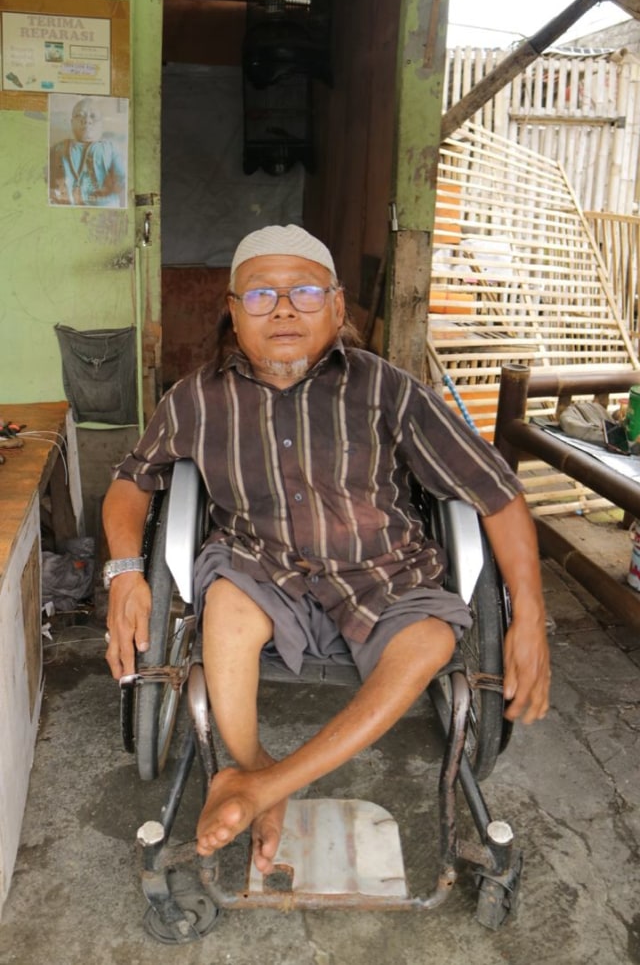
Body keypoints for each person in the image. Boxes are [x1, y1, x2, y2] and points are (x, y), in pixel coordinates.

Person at [103, 224, 550, 875]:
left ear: (337, 307)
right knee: (223, 602)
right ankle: (257, 771)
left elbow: (498, 495)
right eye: (260, 295)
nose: (283, 308)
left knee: (433, 640)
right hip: (261, 569)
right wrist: (123, 573)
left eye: (305, 291)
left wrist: (530, 615)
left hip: (386, 575)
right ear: (233, 313)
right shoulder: (196, 399)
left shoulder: (388, 389)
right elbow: (129, 481)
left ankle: (262, 787)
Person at [50, 97, 126, 207]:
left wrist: (116, 188)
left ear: (102, 123)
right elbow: (48, 181)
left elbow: (122, 179)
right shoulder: (58, 148)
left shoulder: (111, 148)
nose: (86, 120)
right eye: (79, 115)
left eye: (93, 116)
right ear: (72, 122)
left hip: (103, 206)